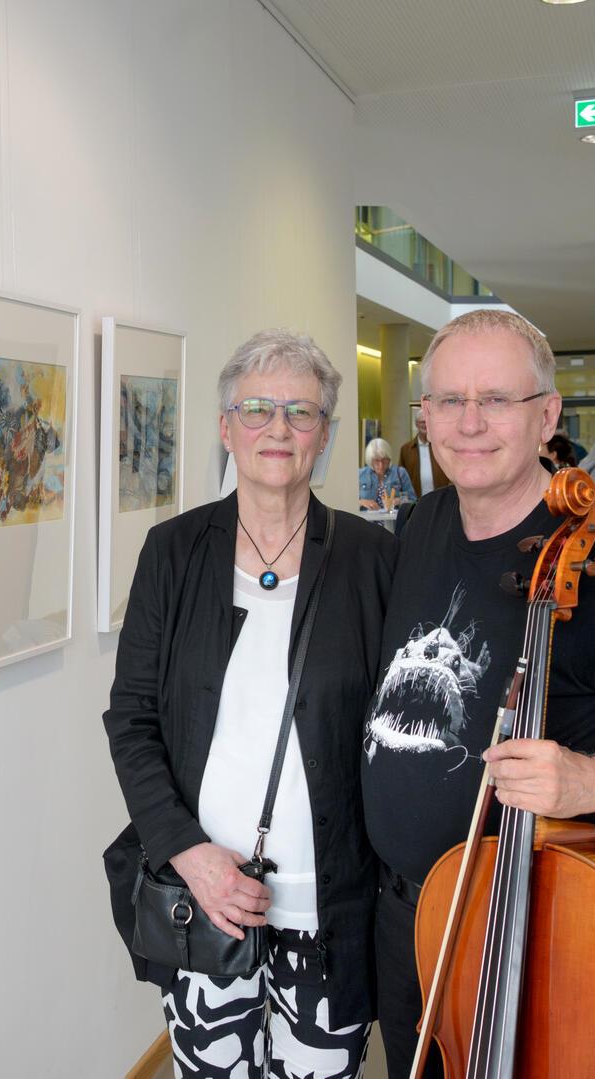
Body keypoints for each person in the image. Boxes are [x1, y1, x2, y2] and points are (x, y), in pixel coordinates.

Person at [359, 310, 595, 1078]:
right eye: (447, 401)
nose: (469, 423)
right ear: (423, 417)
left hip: (542, 928)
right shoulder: (420, 526)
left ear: (547, 414)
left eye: (496, 399)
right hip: (410, 919)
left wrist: (587, 778)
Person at [103, 329, 397, 1078]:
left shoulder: (372, 557)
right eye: (257, 408)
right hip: (205, 897)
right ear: (226, 426)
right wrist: (187, 852)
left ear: (326, 434)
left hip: (331, 906)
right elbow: (131, 717)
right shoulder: (173, 552)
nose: (278, 428)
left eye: (301, 412)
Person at [398, 403, 451, 497]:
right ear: (416, 424)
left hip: (441, 498)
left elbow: (451, 469)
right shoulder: (406, 449)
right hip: (416, 500)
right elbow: (401, 477)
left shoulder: (441, 446)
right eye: (422, 422)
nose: (425, 425)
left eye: (427, 421)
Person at [360, 437, 418, 509]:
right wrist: (362, 502)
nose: (381, 465)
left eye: (384, 460)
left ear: (389, 458)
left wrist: (399, 501)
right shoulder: (361, 474)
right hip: (367, 519)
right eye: (376, 461)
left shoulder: (400, 473)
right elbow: (349, 500)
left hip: (394, 519)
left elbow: (413, 500)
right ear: (370, 460)